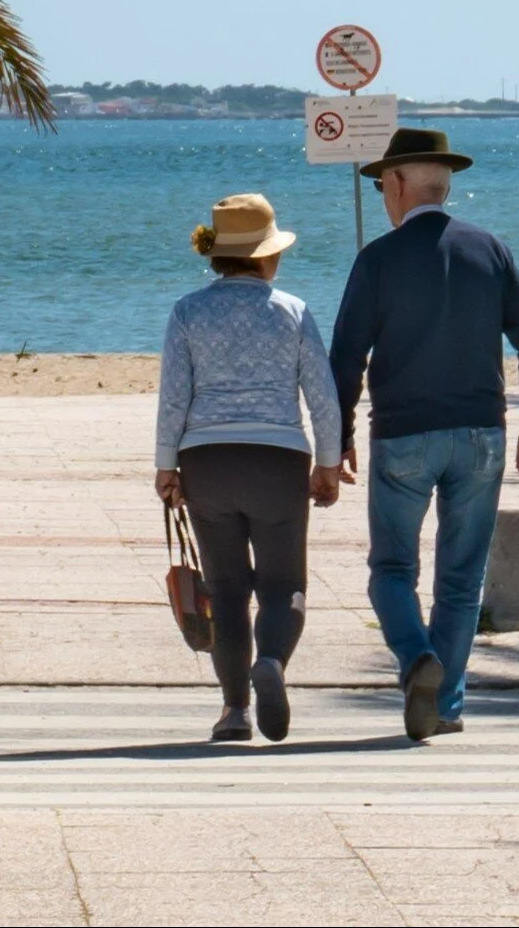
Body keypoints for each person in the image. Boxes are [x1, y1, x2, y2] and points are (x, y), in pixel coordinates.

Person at [329, 128, 519, 742]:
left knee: (392, 570)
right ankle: (446, 704)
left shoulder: (377, 259)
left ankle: (414, 658)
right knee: (462, 578)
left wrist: (338, 435)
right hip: (482, 434)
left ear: (400, 184)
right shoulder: (491, 250)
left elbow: (347, 355)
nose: (381, 195)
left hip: (403, 435)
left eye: (382, 185)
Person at [155, 193, 342, 744]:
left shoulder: (187, 311)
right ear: (267, 258)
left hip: (207, 459)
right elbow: (321, 395)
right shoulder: (292, 310)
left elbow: (174, 396)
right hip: (278, 458)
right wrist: (328, 462)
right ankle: (274, 663)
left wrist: (167, 466)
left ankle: (234, 710)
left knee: (227, 587)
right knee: (283, 584)